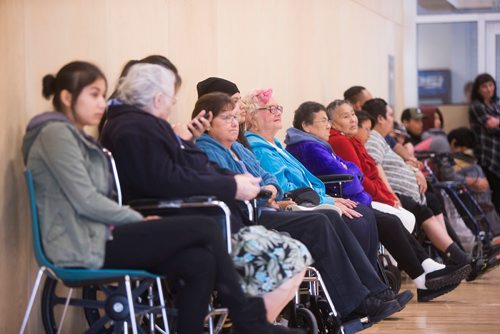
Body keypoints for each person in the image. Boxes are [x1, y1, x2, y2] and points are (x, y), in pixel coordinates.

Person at [21, 61, 299, 334]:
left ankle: (239, 322)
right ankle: (249, 322)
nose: (101, 103)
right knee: (204, 227)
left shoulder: (74, 135)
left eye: (102, 95)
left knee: (199, 262)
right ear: (67, 97)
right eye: (94, 94)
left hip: (98, 234)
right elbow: (87, 201)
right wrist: (135, 219)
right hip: (79, 244)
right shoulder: (55, 134)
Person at [99, 63, 314, 325]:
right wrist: (231, 186)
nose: (170, 107)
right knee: (283, 250)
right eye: (171, 100)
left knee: (202, 263)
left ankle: (251, 323)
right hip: (166, 217)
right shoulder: (135, 128)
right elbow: (165, 180)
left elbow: (186, 167)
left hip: (188, 213)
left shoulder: (142, 126)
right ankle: (251, 323)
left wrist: (189, 143)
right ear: (158, 99)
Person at [193, 91, 407, 323]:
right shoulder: (207, 149)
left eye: (235, 118)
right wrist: (267, 193)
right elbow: (236, 188)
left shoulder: (238, 148)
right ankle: (354, 303)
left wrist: (270, 189)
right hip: (247, 217)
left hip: (266, 207)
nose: (234, 123)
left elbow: (268, 179)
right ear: (206, 122)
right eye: (227, 118)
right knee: (320, 221)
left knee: (332, 217)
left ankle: (374, 291)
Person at [283, 101, 470, 301]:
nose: (328, 125)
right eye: (323, 121)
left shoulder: (319, 144)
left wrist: (352, 173)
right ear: (306, 126)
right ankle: (422, 276)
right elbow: (347, 174)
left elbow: (354, 170)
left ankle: (425, 271)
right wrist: (352, 174)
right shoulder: (309, 147)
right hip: (345, 199)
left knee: (394, 220)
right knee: (390, 221)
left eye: (328, 121)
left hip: (356, 198)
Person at [243, 89, 380, 268]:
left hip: (311, 199)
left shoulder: (274, 144)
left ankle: (372, 286)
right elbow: (286, 188)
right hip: (296, 206)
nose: (277, 112)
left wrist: (329, 198)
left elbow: (308, 182)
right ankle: (362, 287)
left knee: (365, 214)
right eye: (270, 109)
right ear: (252, 117)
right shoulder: (259, 148)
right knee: (358, 221)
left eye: (278, 108)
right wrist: (327, 201)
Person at [359, 98, 488, 279]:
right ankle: (458, 260)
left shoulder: (381, 138)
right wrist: (390, 194)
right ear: (380, 118)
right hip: (394, 195)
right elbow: (376, 167)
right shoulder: (373, 139)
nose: (392, 119)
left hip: (405, 191)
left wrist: (413, 171)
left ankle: (457, 258)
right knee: (424, 209)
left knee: (433, 201)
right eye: (390, 115)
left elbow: (399, 158)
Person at [469, 73, 500, 215]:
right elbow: (490, 125)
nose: (488, 89)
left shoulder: (497, 103)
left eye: (491, 85)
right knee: (493, 192)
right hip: (487, 155)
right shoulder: (476, 106)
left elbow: (495, 123)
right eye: (484, 86)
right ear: (478, 89)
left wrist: (497, 121)